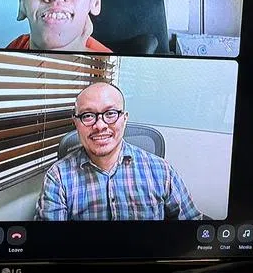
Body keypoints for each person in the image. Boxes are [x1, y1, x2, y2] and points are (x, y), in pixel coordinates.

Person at [35, 81, 202, 220]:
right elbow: (49, 244)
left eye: (111, 113)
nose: (100, 126)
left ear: (124, 118)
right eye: (87, 115)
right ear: (76, 122)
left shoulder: (162, 171)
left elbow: (193, 230)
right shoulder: (58, 177)